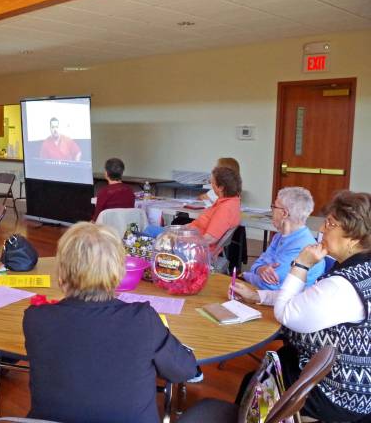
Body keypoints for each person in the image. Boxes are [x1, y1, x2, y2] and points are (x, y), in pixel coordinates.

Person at [23, 222, 197, 422]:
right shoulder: (143, 320)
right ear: (119, 273)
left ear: (61, 274)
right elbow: (183, 370)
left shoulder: (36, 319)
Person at [232, 191, 371, 422]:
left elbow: (286, 313)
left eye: (331, 223)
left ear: (354, 238)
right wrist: (260, 296)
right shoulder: (360, 270)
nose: (323, 229)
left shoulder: (342, 285)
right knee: (269, 366)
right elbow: (309, 299)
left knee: (255, 382)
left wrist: (301, 264)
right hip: (358, 382)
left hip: (339, 392)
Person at [243, 187, 325, 290]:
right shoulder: (279, 236)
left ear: (284, 213)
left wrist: (246, 275)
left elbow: (269, 286)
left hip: (285, 302)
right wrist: (260, 269)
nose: (271, 211)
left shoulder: (304, 247)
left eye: (274, 207)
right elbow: (258, 264)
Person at [144, 166, 242, 251]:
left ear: (221, 187)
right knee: (154, 230)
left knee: (149, 232)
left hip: (193, 249)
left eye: (213, 184)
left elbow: (208, 240)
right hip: (190, 236)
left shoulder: (225, 209)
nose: (211, 187)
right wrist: (181, 229)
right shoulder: (231, 201)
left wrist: (177, 237)